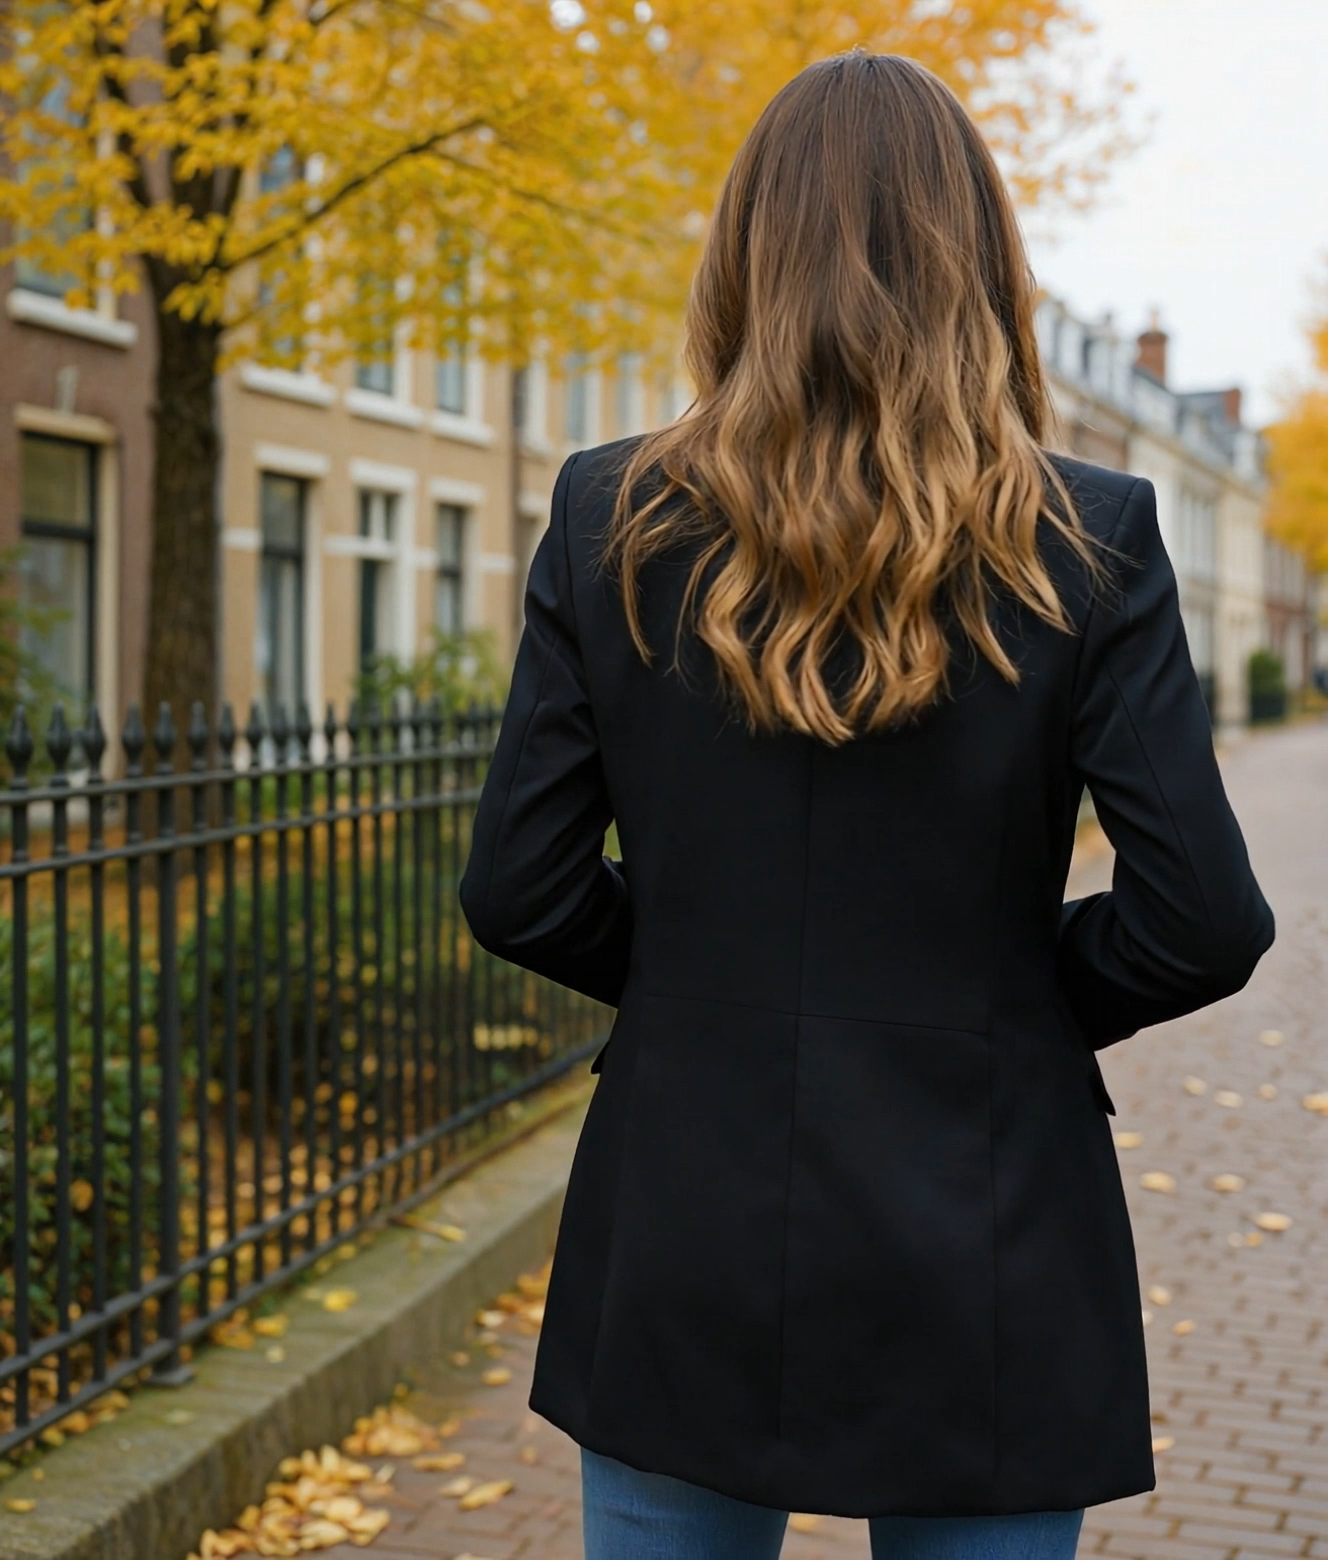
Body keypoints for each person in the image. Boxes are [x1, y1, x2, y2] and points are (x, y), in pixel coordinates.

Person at [459, 51, 1274, 1560]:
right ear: (984, 265)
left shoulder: (609, 515)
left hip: (687, 1215)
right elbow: (1204, 920)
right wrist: (1012, 1002)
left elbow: (519, 885)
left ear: (742, 257)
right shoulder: (1090, 536)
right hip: (991, 1220)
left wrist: (703, 986)